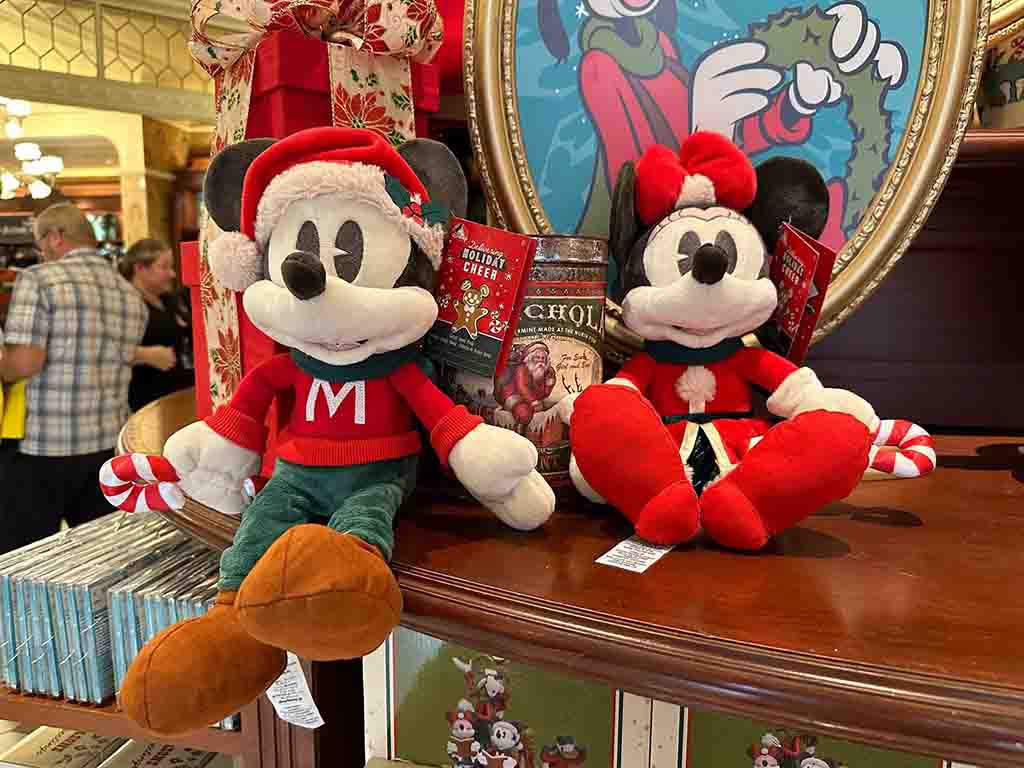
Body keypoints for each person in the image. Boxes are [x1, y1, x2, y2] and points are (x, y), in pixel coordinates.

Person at [0, 202, 147, 553]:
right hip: (106, 444)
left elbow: (24, 364)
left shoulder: (38, 280)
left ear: (54, 238)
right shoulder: (129, 293)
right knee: (94, 557)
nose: (41, 254)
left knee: (27, 561)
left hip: (42, 447)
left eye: (39, 246)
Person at [118, 238, 194, 411]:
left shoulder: (169, 299)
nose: (172, 274)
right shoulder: (124, 304)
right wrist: (144, 354)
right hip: (149, 400)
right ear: (140, 268)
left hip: (180, 392)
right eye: (164, 267)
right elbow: (104, 347)